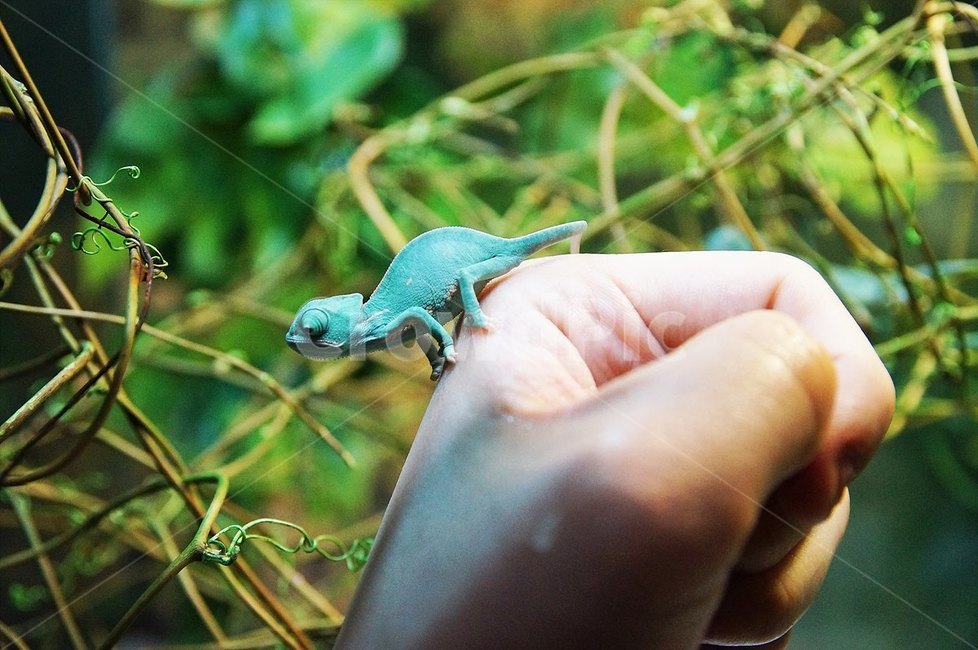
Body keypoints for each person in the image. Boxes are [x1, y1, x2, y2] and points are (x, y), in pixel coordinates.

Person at [335, 251, 895, 649]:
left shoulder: (379, 322)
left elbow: (421, 319)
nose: (315, 343)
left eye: (318, 328)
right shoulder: (379, 325)